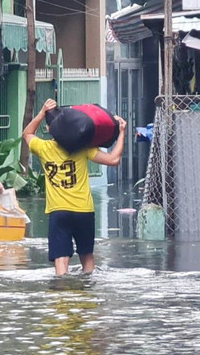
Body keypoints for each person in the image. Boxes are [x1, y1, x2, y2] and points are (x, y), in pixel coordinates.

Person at [23, 99, 126, 275]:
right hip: (84, 211)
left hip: (58, 211)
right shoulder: (83, 148)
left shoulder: (43, 147)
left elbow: (27, 134)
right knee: (87, 256)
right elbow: (114, 160)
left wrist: (41, 113)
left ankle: (63, 298)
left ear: (49, 130)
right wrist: (122, 132)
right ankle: (86, 297)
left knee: (61, 260)